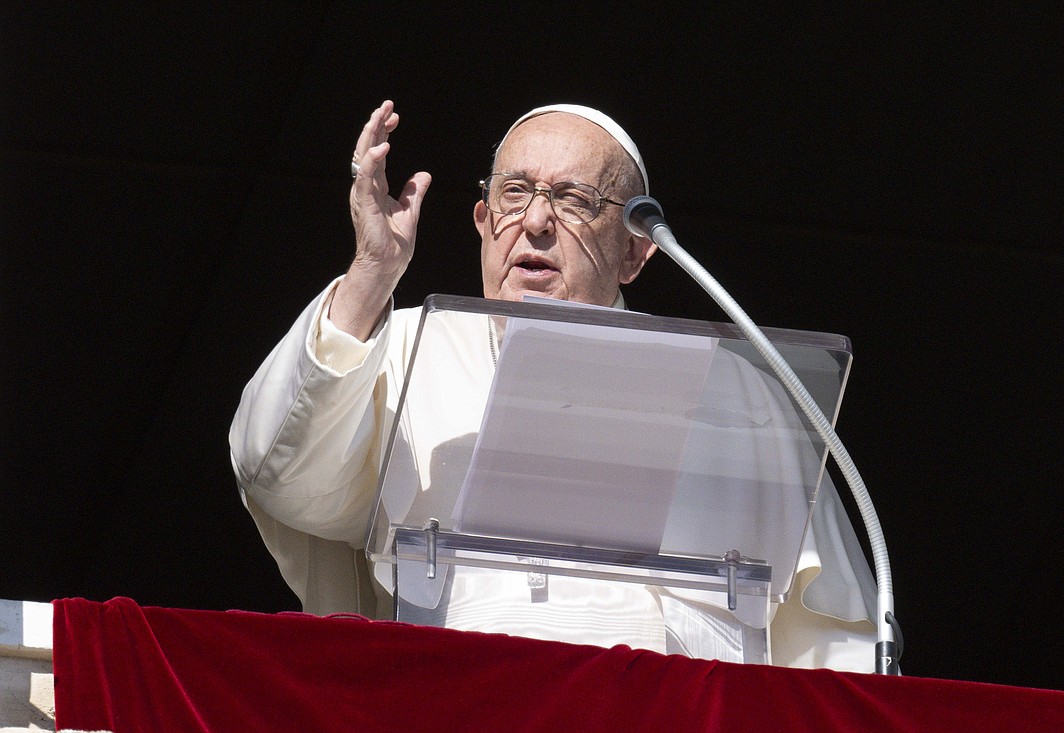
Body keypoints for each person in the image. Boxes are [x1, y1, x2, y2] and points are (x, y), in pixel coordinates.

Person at [230, 100, 878, 671]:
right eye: (514, 193)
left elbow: (830, 641)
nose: (536, 221)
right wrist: (372, 274)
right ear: (482, 220)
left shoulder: (738, 391)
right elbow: (279, 472)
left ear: (634, 252)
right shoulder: (398, 349)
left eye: (574, 201)